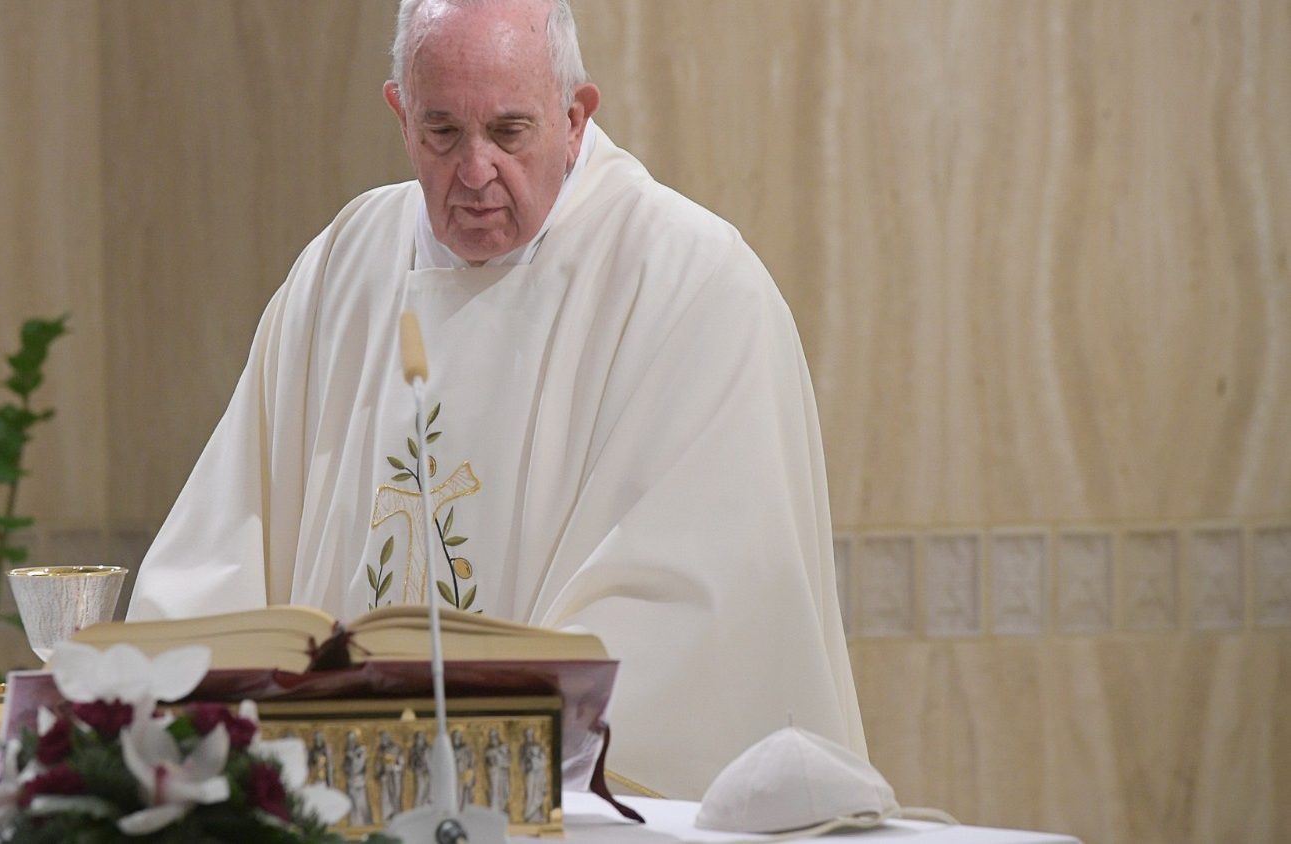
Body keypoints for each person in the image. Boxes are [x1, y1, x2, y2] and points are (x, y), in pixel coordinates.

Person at [128, 0, 864, 798]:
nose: (475, 172)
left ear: (576, 117)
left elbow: (703, 611)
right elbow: (219, 560)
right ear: (400, 114)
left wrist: (482, 758)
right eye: (442, 132)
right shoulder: (342, 268)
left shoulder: (693, 284)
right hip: (342, 803)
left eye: (510, 132)